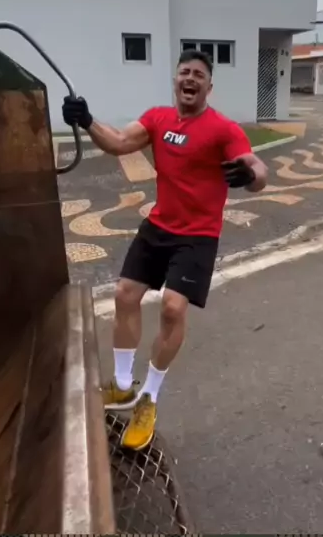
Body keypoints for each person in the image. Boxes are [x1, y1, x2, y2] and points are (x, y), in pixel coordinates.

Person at [62, 49, 268, 450]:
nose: (190, 78)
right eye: (184, 72)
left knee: (173, 307)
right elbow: (119, 142)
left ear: (209, 87)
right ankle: (123, 384)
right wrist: (86, 121)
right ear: (176, 81)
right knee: (125, 294)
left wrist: (250, 175)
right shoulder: (158, 119)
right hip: (158, 226)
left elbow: (258, 169)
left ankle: (149, 399)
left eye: (199, 75)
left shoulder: (223, 129)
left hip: (198, 235)